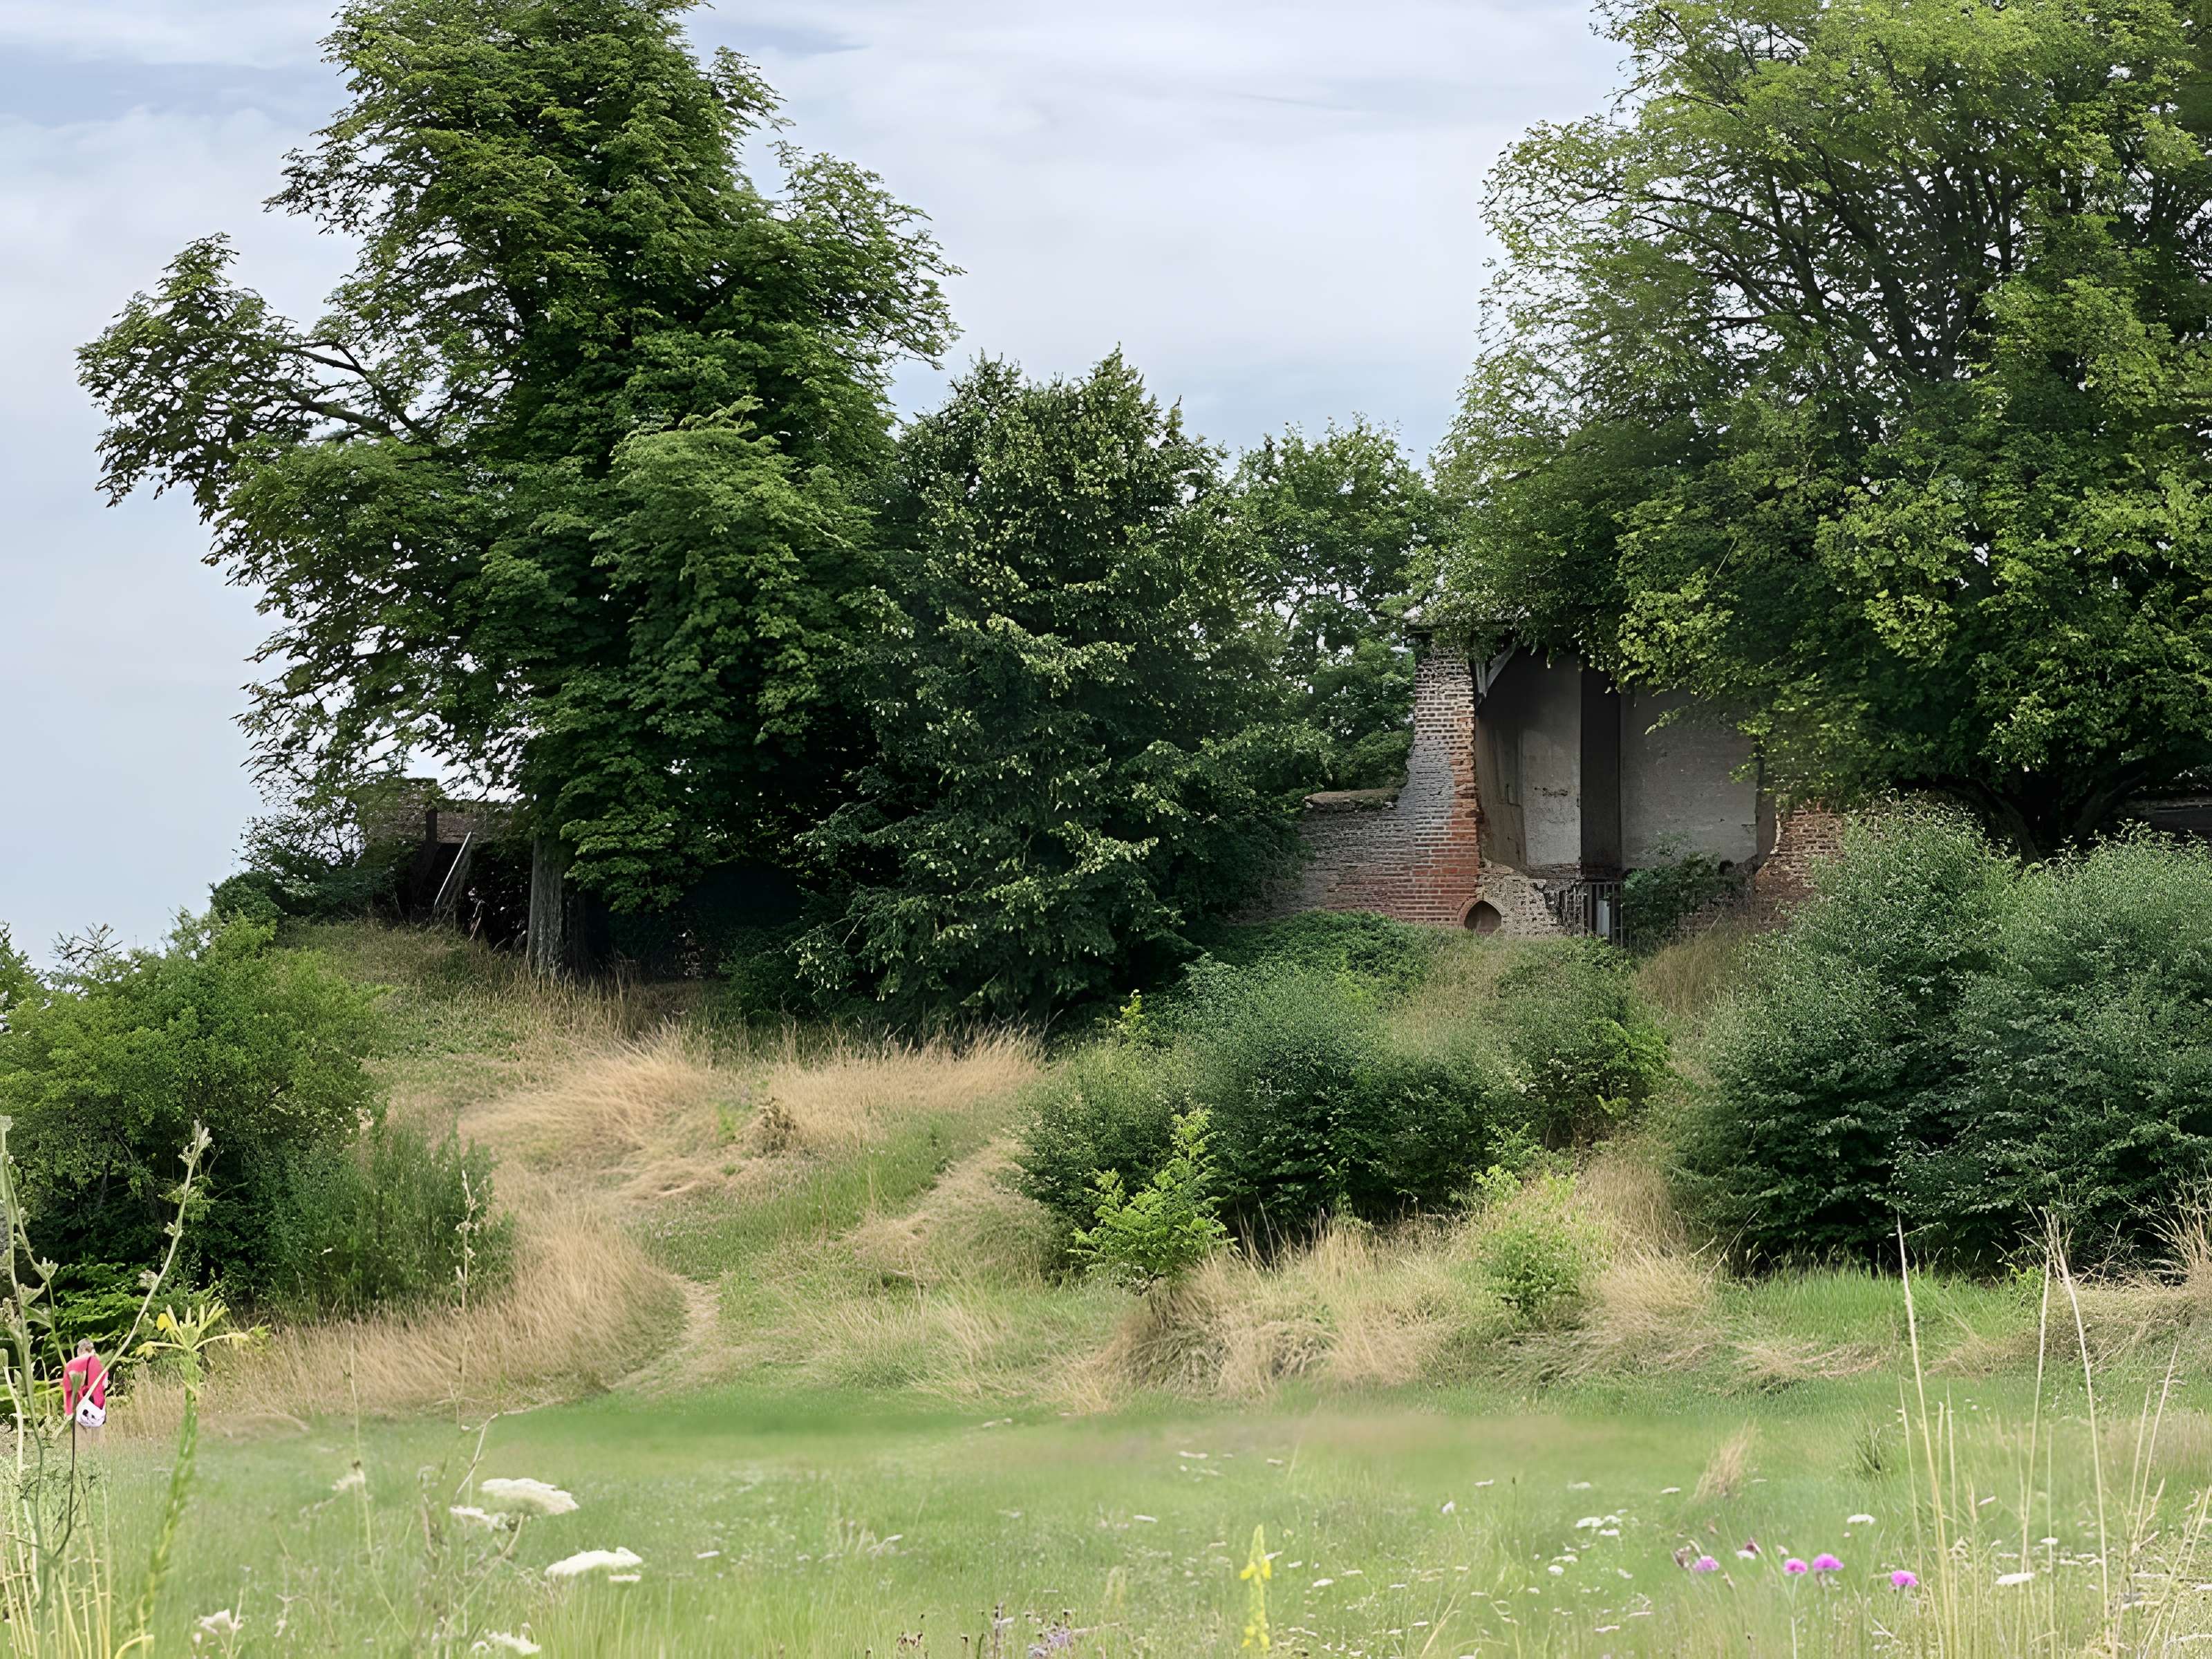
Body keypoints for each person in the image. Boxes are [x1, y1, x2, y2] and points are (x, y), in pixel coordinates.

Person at [62, 1339, 107, 1430]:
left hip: (85, 1409)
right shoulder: (101, 1364)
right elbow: (105, 1385)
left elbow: (78, 1384)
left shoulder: (77, 1363)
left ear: (83, 1351)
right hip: (99, 1410)